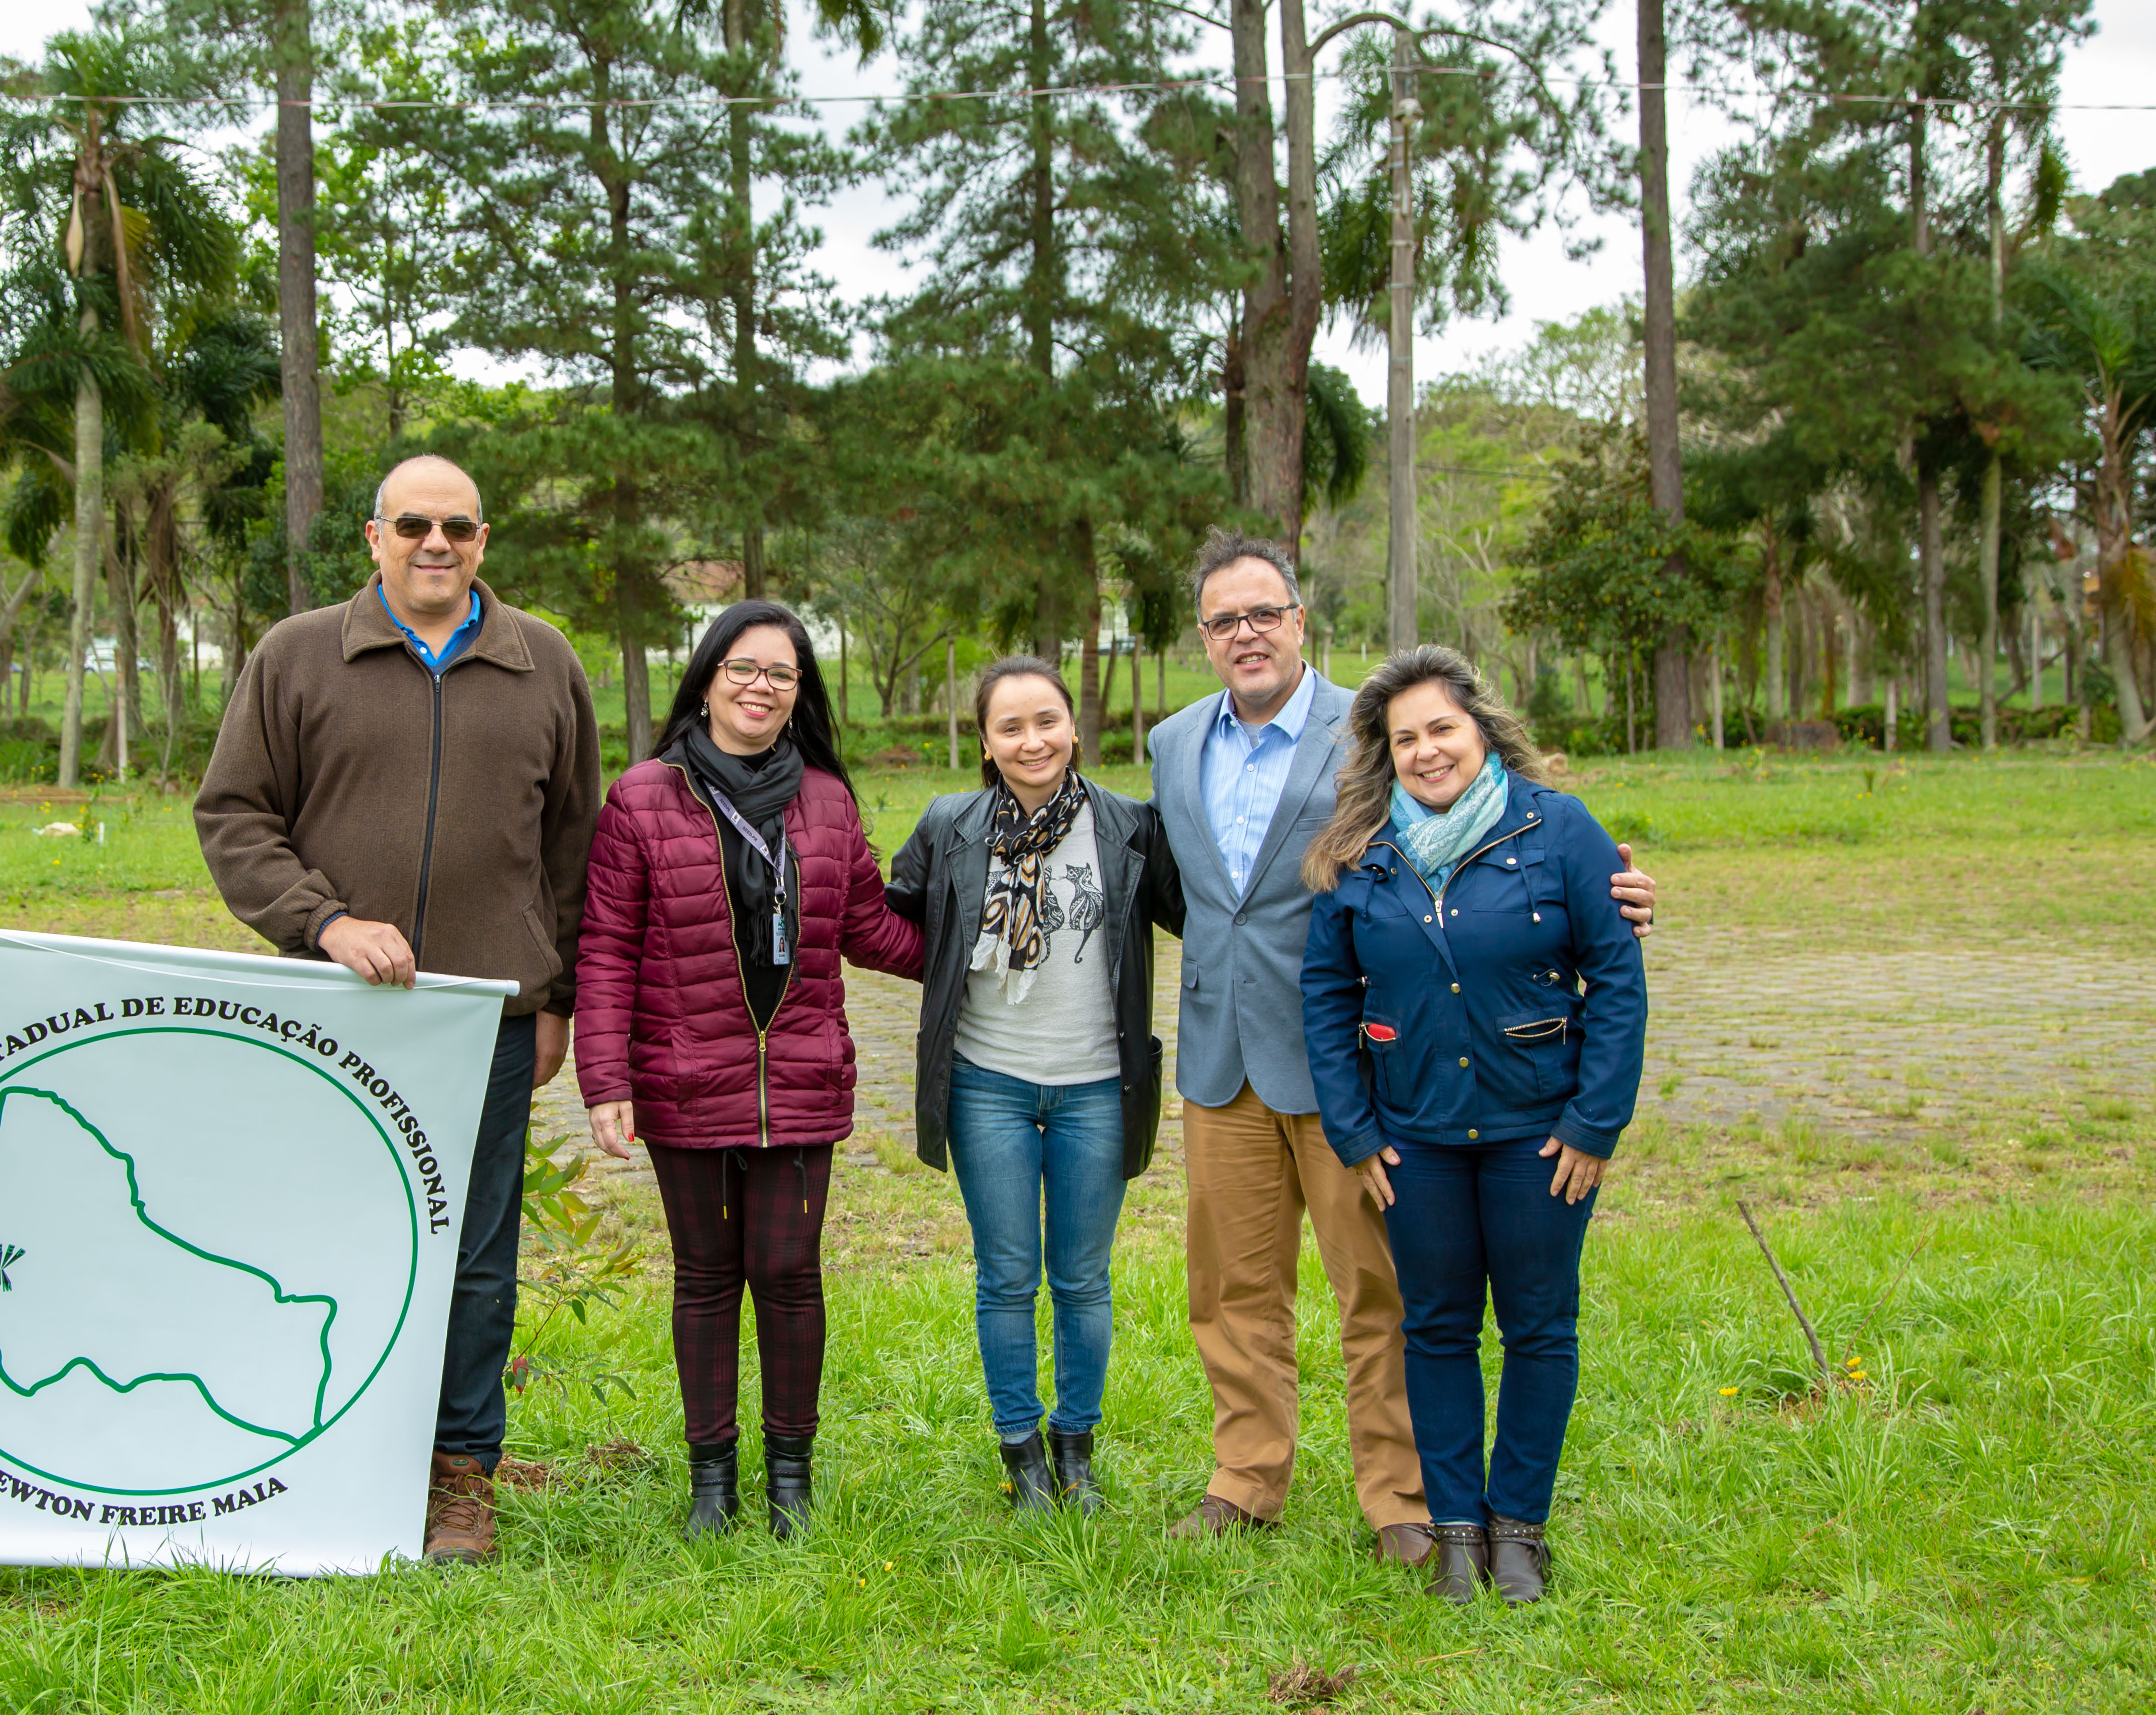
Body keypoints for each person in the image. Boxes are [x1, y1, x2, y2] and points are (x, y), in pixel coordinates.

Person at [1147, 531, 1655, 1565]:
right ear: (1202, 636)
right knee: (1231, 1288)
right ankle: (1244, 1479)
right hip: (1219, 1056)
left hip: (1361, 1066)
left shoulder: (1375, 727)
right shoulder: (1169, 742)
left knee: (1381, 1288)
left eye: (1263, 613)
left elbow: (1489, 832)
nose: (1245, 634)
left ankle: (1403, 1498)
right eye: (1222, 619)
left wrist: (1613, 890)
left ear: (1299, 619)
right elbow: (1179, 888)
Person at [195, 453, 601, 1567]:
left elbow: (573, 845)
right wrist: (323, 922)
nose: (437, 542)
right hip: (333, 1012)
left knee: (473, 1254)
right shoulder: (296, 657)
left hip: (487, 1022)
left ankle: (457, 1472)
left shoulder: (543, 663)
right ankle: (314, 1449)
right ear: (372, 536)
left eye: (458, 526)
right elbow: (234, 816)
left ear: (483, 540)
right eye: (413, 523)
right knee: (322, 1238)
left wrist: (552, 987)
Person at [1301, 645, 1648, 1604]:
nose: (1425, 751)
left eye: (1441, 728)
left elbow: (1617, 979)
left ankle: (1520, 1531)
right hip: (1414, 1140)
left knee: (1539, 1329)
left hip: (1541, 1138)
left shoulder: (1561, 830)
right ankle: (1456, 1533)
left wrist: (1595, 1122)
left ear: (1480, 729)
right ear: (1386, 753)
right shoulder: (1359, 851)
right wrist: (1357, 1133)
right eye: (1404, 738)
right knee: (1438, 1329)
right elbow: (1325, 997)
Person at [573, 600, 923, 1539]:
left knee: (790, 1273)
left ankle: (791, 1481)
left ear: (799, 692)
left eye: (781, 673)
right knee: (705, 1278)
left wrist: (966, 939)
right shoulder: (644, 795)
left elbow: (866, 927)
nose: (760, 686)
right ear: (709, 676)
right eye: (743, 667)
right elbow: (606, 946)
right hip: (685, 1075)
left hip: (802, 1077)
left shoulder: (827, 799)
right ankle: (711, 1485)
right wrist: (605, 1077)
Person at [884, 657, 1184, 1515]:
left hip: (1097, 1084)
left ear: (1074, 728)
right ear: (985, 741)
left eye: (1046, 720)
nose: (1032, 740)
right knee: (1007, 1275)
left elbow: (1206, 914)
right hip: (989, 1085)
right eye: (1010, 726)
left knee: (1084, 1278)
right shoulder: (951, 825)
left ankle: (1076, 1449)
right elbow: (890, 916)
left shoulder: (1130, 826)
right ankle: (1020, 1453)